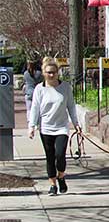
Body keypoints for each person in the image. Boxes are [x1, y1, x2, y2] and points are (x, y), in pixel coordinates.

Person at [28, 57, 81, 196]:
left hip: (62, 127)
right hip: (45, 127)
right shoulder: (40, 89)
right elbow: (35, 108)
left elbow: (71, 107)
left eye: (54, 72)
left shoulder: (65, 87)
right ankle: (52, 184)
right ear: (44, 73)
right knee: (50, 157)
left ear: (58, 72)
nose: (51, 75)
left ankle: (61, 176)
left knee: (60, 155)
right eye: (48, 72)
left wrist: (76, 124)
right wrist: (31, 126)